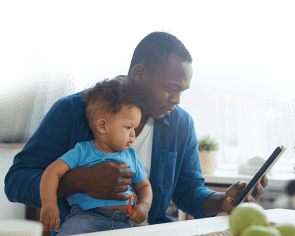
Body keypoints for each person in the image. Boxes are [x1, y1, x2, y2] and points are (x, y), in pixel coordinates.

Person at [5, 30, 268, 236]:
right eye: (170, 87)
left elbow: (188, 190)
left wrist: (222, 200)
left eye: (182, 91)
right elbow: (16, 181)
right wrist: (77, 180)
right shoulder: (73, 111)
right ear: (140, 74)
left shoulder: (181, 124)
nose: (176, 100)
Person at [39, 79, 152, 234]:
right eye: (128, 127)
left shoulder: (131, 156)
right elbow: (52, 172)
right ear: (102, 126)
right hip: (85, 219)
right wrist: (49, 204)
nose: (134, 134)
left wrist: (144, 206)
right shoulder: (82, 151)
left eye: (135, 127)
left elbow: (144, 186)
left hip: (123, 222)